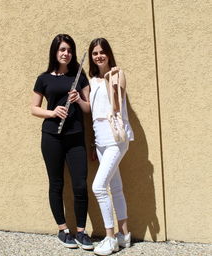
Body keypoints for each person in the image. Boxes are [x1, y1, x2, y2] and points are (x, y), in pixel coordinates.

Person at [31, 34, 93, 250]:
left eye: (69, 50)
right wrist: (52, 112)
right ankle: (63, 229)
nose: (66, 53)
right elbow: (34, 109)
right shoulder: (44, 78)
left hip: (75, 137)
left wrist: (80, 100)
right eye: (62, 50)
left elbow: (89, 110)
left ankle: (82, 232)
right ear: (55, 52)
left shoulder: (79, 76)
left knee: (79, 184)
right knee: (56, 183)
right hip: (51, 137)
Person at [88, 38, 134, 256]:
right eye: (95, 53)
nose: (99, 56)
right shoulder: (92, 80)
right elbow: (93, 111)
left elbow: (116, 105)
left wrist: (109, 79)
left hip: (116, 139)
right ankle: (124, 235)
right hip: (100, 140)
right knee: (115, 187)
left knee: (98, 187)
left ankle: (110, 238)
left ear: (108, 53)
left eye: (102, 52)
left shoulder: (117, 74)